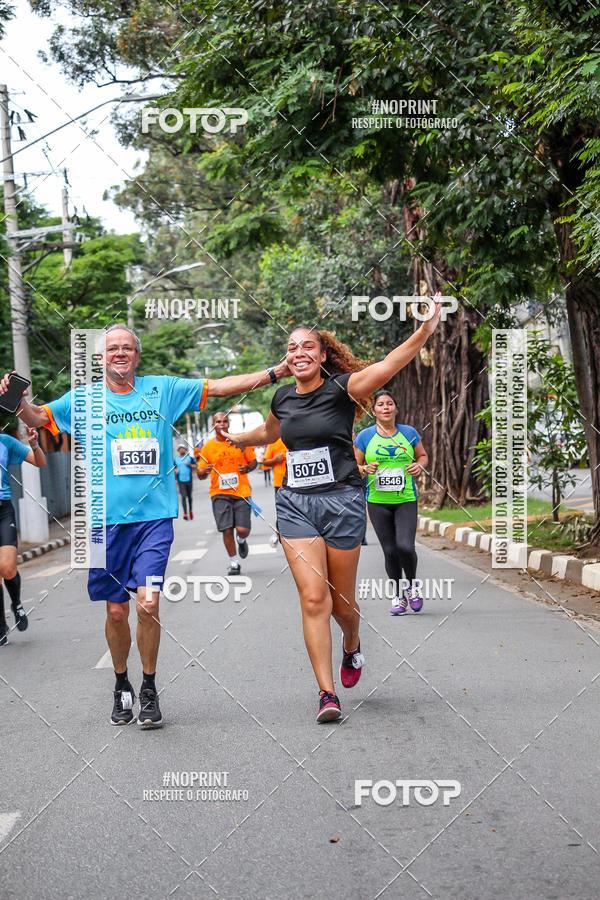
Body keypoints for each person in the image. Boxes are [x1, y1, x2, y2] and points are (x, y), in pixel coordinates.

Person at [1, 325, 288, 727]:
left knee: (148, 603)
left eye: (126, 348)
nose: (119, 353)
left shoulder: (163, 389)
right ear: (100, 359)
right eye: (111, 348)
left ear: (137, 355)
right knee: (117, 612)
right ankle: (122, 684)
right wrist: (17, 400)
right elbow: (37, 416)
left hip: (153, 518)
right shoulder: (81, 400)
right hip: (101, 524)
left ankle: (149, 686)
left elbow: (221, 385)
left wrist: (275, 372)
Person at [225, 300, 441, 723]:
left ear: (323, 355)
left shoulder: (343, 389)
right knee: (312, 597)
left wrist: (424, 332)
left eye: (308, 346)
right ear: (286, 359)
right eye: (291, 348)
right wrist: (238, 440)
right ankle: (327, 693)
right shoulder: (282, 396)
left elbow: (388, 365)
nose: (299, 352)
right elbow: (269, 432)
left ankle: (352, 644)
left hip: (341, 501)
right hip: (295, 505)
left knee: (343, 605)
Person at [354, 391, 428, 615]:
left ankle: (412, 586)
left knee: (405, 546)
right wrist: (365, 469)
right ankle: (398, 595)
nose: (385, 407)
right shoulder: (365, 437)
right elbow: (354, 465)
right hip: (377, 501)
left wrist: (419, 466)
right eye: (380, 404)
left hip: (405, 498)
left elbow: (422, 456)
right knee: (390, 551)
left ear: (396, 408)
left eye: (389, 404)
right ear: (373, 410)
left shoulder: (409, 433)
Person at [0, 427, 46, 645]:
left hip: (3, 510)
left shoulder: (6, 442)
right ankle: (1, 625)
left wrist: (35, 445)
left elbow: (40, 462)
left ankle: (16, 602)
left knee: (7, 567)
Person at [197, 412, 257, 574]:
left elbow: (253, 462)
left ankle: (242, 539)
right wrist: (205, 471)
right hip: (219, 493)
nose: (222, 424)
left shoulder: (239, 441)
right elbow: (200, 474)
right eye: (218, 421)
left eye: (225, 421)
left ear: (228, 424)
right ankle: (234, 563)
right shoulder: (208, 447)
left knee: (243, 529)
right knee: (227, 529)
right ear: (214, 425)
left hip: (241, 492)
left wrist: (247, 468)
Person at [262, 437, 287, 547]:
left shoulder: (297, 436)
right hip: (280, 483)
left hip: (300, 482)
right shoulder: (274, 442)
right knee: (282, 511)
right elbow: (265, 461)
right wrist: (275, 460)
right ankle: (278, 533)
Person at [174, 444, 195, 520]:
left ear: (185, 449)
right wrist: (175, 470)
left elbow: (196, 466)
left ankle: (190, 511)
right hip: (181, 481)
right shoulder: (176, 460)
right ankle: (185, 513)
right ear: (178, 450)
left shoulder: (189, 458)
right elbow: (173, 468)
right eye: (180, 449)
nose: (181, 450)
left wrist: (189, 465)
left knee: (189, 497)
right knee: (183, 497)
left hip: (189, 480)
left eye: (183, 448)